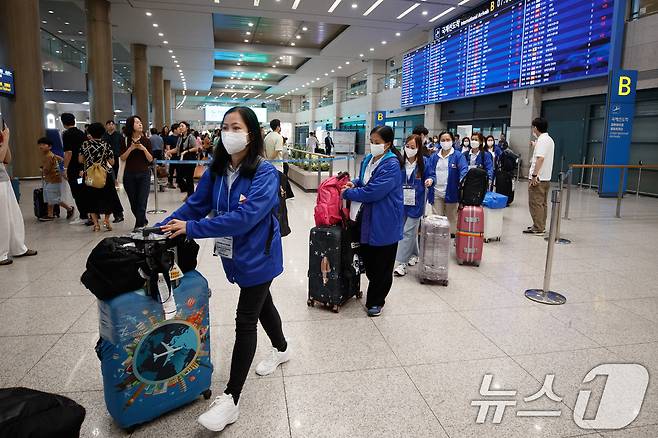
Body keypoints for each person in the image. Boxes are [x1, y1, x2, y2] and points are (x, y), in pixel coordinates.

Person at [159, 106, 289, 433]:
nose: (229, 132)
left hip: (260, 255)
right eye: (225, 127)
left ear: (251, 133)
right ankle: (283, 349)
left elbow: (246, 219)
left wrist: (191, 229)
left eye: (236, 127)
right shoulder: (217, 169)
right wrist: (161, 226)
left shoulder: (264, 173)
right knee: (263, 305)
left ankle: (231, 399)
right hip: (236, 256)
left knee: (245, 318)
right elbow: (196, 205)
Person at [341, 125, 404, 317]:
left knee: (382, 264)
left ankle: (376, 301)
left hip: (384, 219)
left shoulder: (391, 165)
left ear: (388, 144)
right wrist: (355, 183)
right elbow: (365, 180)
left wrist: (348, 192)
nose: (373, 146)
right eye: (371, 142)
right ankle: (374, 290)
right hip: (367, 217)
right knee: (368, 258)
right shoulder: (369, 159)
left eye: (377, 143)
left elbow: (373, 191)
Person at [393, 134, 434, 277]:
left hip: (416, 203)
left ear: (418, 149)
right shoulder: (399, 162)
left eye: (413, 147)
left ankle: (401, 263)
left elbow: (431, 175)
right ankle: (415, 254)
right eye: (407, 146)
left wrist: (429, 180)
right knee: (407, 230)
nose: (409, 149)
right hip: (401, 203)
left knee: (407, 232)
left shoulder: (425, 163)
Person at [0, 126, 37, 265]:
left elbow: (6, 159)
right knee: (2, 219)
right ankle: (1, 254)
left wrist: (4, 140)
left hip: (4, 179)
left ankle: (18, 248)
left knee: (13, 216)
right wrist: (7, 137)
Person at [427, 131, 469, 236]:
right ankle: (439, 241)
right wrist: (430, 179)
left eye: (448, 140)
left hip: (452, 192)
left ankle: (450, 240)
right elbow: (430, 171)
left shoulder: (458, 156)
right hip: (436, 192)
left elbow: (464, 169)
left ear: (452, 141)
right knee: (437, 220)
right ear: (439, 142)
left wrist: (461, 179)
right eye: (443, 140)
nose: (445, 142)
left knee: (451, 219)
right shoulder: (434, 156)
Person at [79, 122, 118, 232]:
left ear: (89, 132)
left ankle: (96, 224)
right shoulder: (106, 144)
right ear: (103, 132)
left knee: (91, 200)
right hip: (104, 176)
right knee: (108, 198)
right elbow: (112, 161)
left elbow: (80, 160)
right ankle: (106, 220)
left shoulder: (85, 144)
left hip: (90, 176)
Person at [120, 115, 153, 231]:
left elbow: (150, 159)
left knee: (142, 201)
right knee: (133, 202)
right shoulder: (124, 140)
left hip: (144, 174)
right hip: (129, 175)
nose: (140, 124)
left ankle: (138, 226)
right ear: (131, 126)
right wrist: (131, 148)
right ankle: (142, 220)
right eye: (137, 122)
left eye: (140, 122)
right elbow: (123, 158)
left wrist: (143, 149)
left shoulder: (146, 141)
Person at [524, 117, 554, 235]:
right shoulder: (549, 140)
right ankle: (540, 225)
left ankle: (538, 228)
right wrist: (534, 145)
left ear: (536, 128)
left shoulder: (542, 141)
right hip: (546, 178)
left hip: (538, 178)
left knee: (535, 202)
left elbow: (540, 158)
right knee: (542, 203)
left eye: (533, 127)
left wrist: (534, 175)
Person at [61, 113, 90, 225]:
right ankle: (88, 214)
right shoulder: (82, 133)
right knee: (83, 190)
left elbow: (68, 153)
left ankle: (83, 215)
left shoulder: (66, 134)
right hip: (82, 167)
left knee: (77, 191)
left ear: (63, 123)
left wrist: (65, 168)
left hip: (73, 168)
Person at [37, 137, 74, 221]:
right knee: (50, 197)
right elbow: (61, 159)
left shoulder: (49, 156)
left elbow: (46, 170)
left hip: (52, 180)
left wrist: (42, 169)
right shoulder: (51, 154)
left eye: (43, 144)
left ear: (49, 146)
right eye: (40, 144)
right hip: (52, 179)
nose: (41, 146)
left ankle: (69, 209)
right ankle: (50, 215)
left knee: (54, 198)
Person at [101, 120, 125, 223]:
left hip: (116, 158)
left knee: (111, 188)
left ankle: (118, 214)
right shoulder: (103, 137)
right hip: (104, 165)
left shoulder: (119, 136)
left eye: (112, 124)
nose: (111, 126)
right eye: (109, 124)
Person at [175, 121, 199, 198]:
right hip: (182, 160)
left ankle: (190, 195)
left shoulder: (191, 137)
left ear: (187, 128)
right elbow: (177, 149)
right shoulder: (180, 138)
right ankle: (188, 191)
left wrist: (187, 151)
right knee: (178, 178)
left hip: (190, 160)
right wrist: (169, 151)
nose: (180, 127)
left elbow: (196, 148)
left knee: (189, 178)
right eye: (180, 126)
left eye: (182, 126)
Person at [165, 123, 180, 189]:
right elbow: (168, 146)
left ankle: (179, 182)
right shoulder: (170, 138)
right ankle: (170, 182)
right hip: (173, 156)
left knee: (179, 170)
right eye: (178, 128)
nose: (180, 129)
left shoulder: (180, 137)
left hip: (180, 156)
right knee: (171, 170)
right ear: (174, 130)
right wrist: (170, 154)